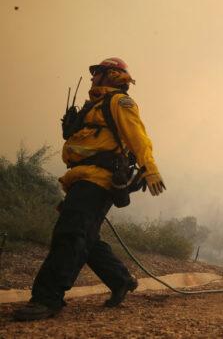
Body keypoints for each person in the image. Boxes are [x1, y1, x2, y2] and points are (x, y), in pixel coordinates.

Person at [14, 57, 166, 321]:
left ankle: (46, 299)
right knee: (87, 236)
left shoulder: (119, 102)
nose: (93, 76)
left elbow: (138, 137)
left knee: (70, 234)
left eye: (98, 72)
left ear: (113, 75)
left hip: (99, 180)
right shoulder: (92, 106)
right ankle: (120, 280)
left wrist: (150, 169)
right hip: (80, 179)